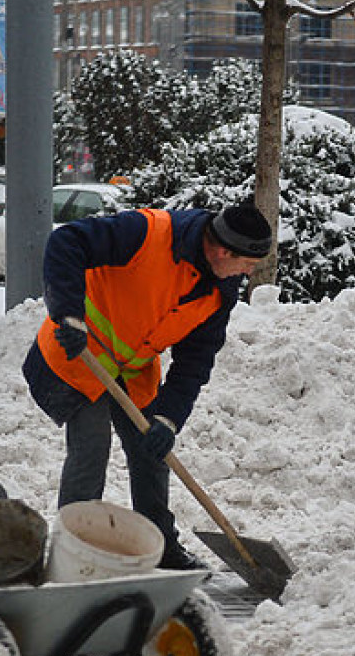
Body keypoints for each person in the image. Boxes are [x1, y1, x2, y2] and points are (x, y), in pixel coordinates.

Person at [23, 201, 273, 569]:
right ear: (223, 251)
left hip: (132, 367)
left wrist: (169, 419)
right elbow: (67, 242)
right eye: (248, 264)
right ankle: (73, 554)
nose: (249, 273)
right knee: (91, 449)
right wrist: (68, 314)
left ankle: (162, 548)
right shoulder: (149, 233)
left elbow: (195, 361)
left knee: (152, 451)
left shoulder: (219, 290)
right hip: (78, 352)